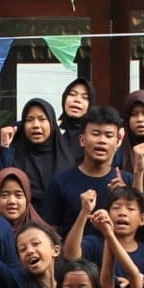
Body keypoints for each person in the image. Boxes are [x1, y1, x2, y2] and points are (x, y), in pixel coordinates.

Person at [44, 105, 129, 253]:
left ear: (117, 141)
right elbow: (51, 233)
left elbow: (140, 230)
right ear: (82, 140)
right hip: (73, 262)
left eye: (109, 135)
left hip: (117, 261)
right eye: (95, 134)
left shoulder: (126, 182)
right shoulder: (60, 182)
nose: (102, 140)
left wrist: (124, 196)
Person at [0, 97, 77, 198]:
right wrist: (4, 148)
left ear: (52, 124)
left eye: (42, 119)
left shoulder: (65, 159)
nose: (36, 125)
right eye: (29, 120)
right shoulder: (12, 156)